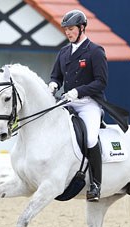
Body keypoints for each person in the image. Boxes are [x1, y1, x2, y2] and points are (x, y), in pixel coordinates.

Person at [48, 9, 108, 202]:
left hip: (89, 104)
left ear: (82, 28)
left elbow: (101, 82)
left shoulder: (95, 51)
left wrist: (78, 92)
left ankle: (96, 185)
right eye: (66, 30)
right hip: (68, 103)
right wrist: (53, 84)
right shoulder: (64, 52)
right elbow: (56, 75)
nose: (68, 33)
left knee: (90, 139)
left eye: (71, 29)